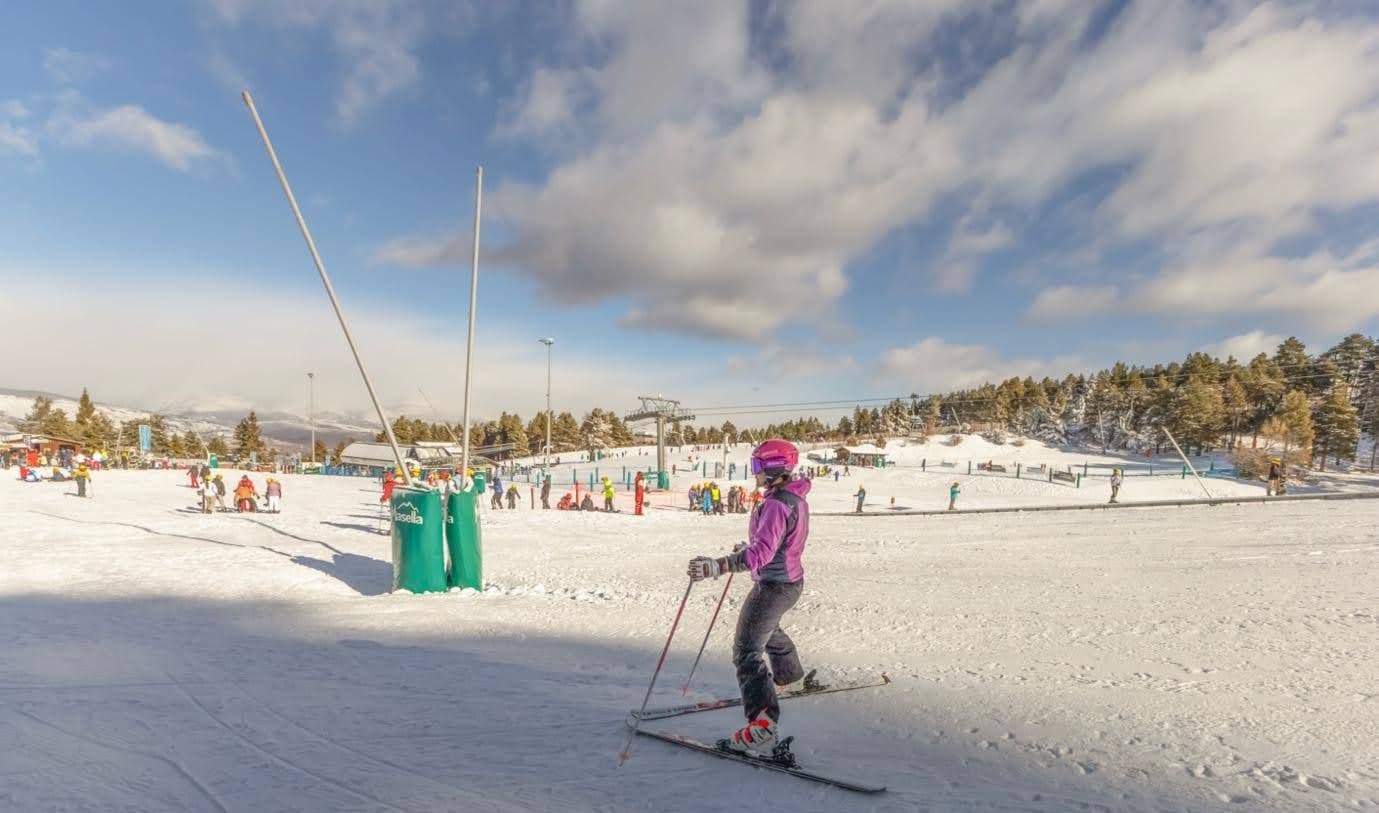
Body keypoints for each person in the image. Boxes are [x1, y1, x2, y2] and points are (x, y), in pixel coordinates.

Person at [686, 439, 811, 756]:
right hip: (789, 583)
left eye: (757, 466)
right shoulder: (792, 499)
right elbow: (776, 543)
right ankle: (790, 674)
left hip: (773, 586)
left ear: (773, 469)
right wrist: (749, 548)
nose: (753, 473)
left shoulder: (776, 504)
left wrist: (721, 565)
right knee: (768, 631)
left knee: (746, 649)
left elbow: (764, 554)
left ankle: (763, 726)